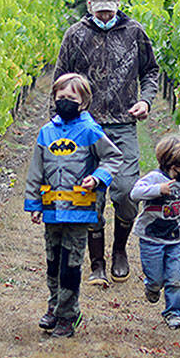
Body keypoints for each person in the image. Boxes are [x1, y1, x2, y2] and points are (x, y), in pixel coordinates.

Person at [55, 0, 159, 287]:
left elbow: (151, 71)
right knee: (89, 196)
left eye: (109, 12)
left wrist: (145, 100)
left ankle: (119, 250)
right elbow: (60, 79)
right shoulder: (75, 35)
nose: (104, 17)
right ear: (89, 8)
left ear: (117, 7)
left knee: (127, 191)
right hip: (84, 126)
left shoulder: (135, 33)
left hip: (123, 125)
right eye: (99, 12)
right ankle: (97, 263)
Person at [24, 73, 122, 338]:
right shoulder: (46, 132)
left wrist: (98, 177)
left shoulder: (90, 130)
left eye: (72, 98)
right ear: (54, 99)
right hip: (52, 210)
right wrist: (34, 204)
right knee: (53, 261)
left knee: (71, 263)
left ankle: (68, 314)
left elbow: (113, 157)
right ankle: (55, 305)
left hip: (80, 210)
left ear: (84, 102)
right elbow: (36, 170)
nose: (65, 101)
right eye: (61, 97)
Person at [129, 134, 180, 330]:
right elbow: (134, 194)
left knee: (176, 278)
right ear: (171, 163)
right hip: (151, 238)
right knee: (156, 277)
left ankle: (174, 313)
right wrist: (158, 189)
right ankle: (152, 286)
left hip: (174, 239)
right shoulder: (154, 178)